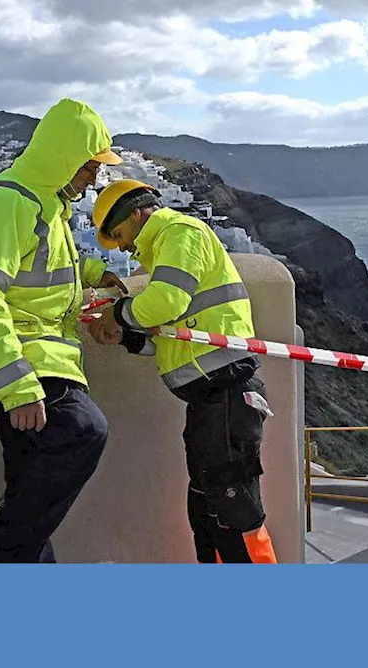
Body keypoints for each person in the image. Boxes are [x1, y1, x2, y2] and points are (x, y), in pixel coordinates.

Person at [0, 98, 127, 563]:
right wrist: (17, 385)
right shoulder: (7, 201)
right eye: (88, 167)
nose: (93, 179)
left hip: (40, 361)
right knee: (84, 430)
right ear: (62, 156)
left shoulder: (45, 205)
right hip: (28, 364)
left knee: (29, 491)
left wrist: (93, 272)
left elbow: (47, 263)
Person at [85, 178, 278, 564]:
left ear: (138, 214)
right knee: (208, 515)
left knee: (233, 514)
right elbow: (173, 339)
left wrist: (117, 314)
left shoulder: (179, 232)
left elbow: (165, 303)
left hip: (226, 393)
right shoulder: (165, 254)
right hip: (210, 402)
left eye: (120, 234)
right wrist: (125, 336)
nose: (123, 246)